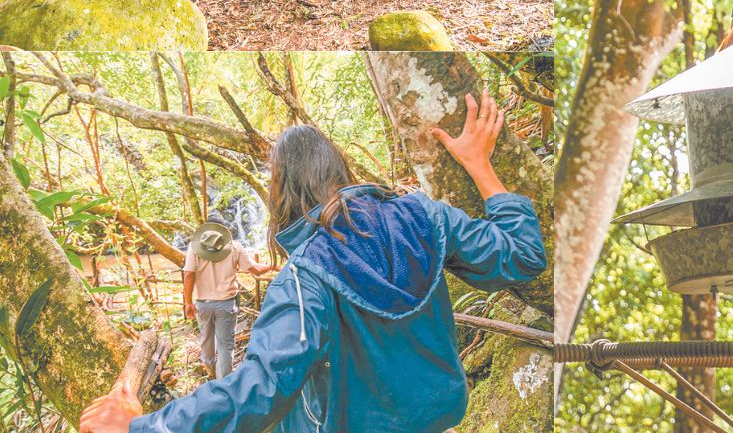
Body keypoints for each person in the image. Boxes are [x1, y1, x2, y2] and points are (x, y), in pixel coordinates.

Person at [80, 91, 546, 433]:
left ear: (281, 192)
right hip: (435, 417)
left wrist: (140, 428)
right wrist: (479, 165)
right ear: (341, 168)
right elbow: (523, 254)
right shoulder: (423, 214)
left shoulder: (305, 279)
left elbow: (261, 387)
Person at [183, 214, 274, 379]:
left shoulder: (193, 248)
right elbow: (256, 270)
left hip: (203, 303)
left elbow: (189, 275)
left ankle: (210, 372)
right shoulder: (234, 247)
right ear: (223, 231)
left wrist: (187, 302)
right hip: (226, 304)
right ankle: (223, 385)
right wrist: (273, 265)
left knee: (206, 339)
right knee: (225, 346)